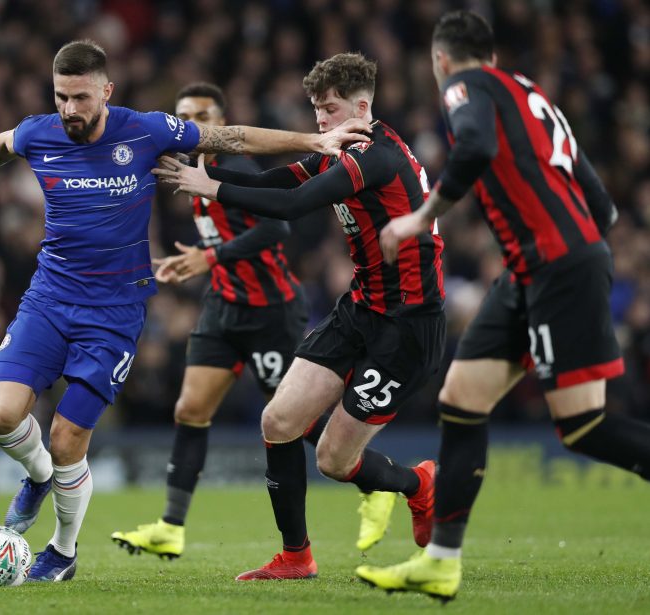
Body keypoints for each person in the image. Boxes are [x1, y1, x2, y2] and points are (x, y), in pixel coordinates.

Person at [0, 40, 368, 583]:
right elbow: (2, 142)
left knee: (66, 439)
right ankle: (37, 478)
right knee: (1, 415)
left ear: (106, 91)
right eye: (60, 97)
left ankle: (61, 552)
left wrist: (314, 140)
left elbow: (233, 136)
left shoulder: (147, 130)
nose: (69, 109)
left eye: (80, 98)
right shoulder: (41, 132)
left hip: (115, 310)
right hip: (49, 298)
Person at [355, 10, 637, 602]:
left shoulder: (466, 86)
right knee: (462, 400)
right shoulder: (531, 94)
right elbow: (602, 206)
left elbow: (476, 144)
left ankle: (441, 557)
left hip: (555, 268)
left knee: (584, 426)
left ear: (440, 60)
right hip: (535, 270)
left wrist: (418, 218)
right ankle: (441, 561)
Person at [154, 52, 446, 581]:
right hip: (361, 308)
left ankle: (420, 485)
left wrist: (213, 189)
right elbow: (284, 180)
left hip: (409, 322)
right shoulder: (339, 149)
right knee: (279, 421)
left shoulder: (376, 156)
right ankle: (296, 556)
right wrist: (216, 175)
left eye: (329, 110)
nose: (320, 123)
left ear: (361, 106)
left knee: (334, 461)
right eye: (315, 110)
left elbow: (295, 206)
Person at [110, 82, 322, 560]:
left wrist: (211, 256)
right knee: (190, 409)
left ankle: (375, 482)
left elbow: (276, 228)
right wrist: (198, 259)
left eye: (203, 115)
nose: (194, 125)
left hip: (271, 311)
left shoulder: (238, 167)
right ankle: (171, 526)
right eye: (185, 116)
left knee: (299, 424)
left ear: (222, 123)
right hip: (224, 308)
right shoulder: (190, 171)